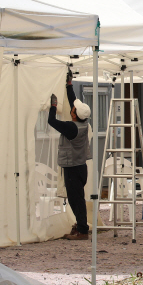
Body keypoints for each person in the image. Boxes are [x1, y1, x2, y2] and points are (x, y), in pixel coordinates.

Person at [48, 70, 92, 240]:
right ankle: (81, 226)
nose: (72, 108)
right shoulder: (83, 123)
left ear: (74, 114)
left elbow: (52, 121)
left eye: (72, 109)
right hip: (80, 167)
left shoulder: (72, 128)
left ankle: (82, 230)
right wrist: (69, 85)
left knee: (76, 200)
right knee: (78, 197)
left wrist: (53, 106)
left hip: (73, 168)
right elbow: (74, 101)